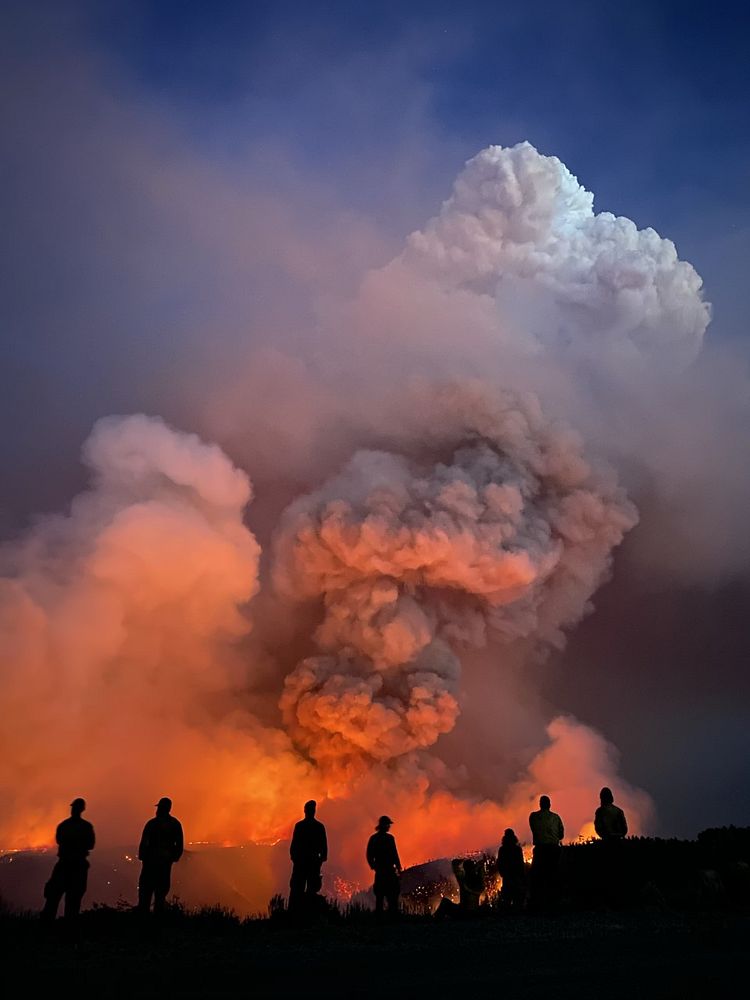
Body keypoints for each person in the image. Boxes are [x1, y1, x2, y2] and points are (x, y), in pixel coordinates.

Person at [41, 797, 95, 922]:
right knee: (71, 902)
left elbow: (59, 840)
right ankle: (67, 930)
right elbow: (90, 844)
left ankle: (48, 929)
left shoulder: (64, 825)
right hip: (76, 866)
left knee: (55, 899)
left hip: (66, 865)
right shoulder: (86, 827)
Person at [137, 797, 184, 914]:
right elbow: (179, 845)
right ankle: (157, 921)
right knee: (160, 895)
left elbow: (144, 843)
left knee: (145, 893)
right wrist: (173, 858)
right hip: (164, 864)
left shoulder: (152, 824)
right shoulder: (175, 824)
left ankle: (143, 921)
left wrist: (143, 857)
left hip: (150, 864)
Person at [289, 800, 328, 913]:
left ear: (305, 811)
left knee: (298, 889)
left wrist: (295, 858)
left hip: (302, 863)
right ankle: (307, 914)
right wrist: (320, 859)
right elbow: (324, 847)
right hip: (310, 863)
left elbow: (294, 846)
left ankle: (295, 914)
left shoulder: (300, 826)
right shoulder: (319, 827)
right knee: (308, 889)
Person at [528, 795, 564, 910]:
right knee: (553, 876)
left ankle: (538, 904)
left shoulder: (534, 817)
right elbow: (561, 835)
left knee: (538, 877)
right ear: (549, 805)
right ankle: (554, 903)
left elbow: (533, 828)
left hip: (540, 850)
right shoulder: (556, 817)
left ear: (540, 804)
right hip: (553, 851)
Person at [594, 787, 628, 905]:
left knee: (605, 872)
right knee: (618, 871)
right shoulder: (619, 811)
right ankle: (620, 899)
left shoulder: (600, 811)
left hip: (606, 844)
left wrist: (605, 835)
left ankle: (607, 899)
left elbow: (598, 828)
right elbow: (625, 829)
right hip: (618, 844)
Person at [366, 815, 402, 916]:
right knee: (391, 895)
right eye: (388, 825)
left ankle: (381, 917)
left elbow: (369, 855)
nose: (389, 827)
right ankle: (391, 917)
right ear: (384, 825)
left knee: (381, 896)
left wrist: (374, 866)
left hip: (382, 871)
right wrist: (398, 868)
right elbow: (395, 854)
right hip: (388, 871)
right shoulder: (389, 838)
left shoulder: (374, 838)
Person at [496, 828, 526, 910]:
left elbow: (500, 862)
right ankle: (516, 910)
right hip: (515, 874)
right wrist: (522, 874)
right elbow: (520, 862)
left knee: (507, 893)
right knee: (516, 893)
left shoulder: (502, 849)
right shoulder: (517, 849)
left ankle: (507, 909)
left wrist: (502, 873)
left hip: (507, 874)